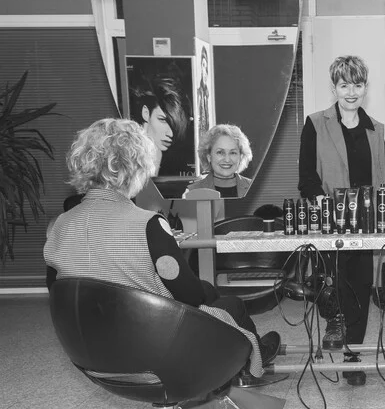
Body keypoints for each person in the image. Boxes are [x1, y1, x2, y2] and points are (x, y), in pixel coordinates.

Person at [44, 119, 279, 376]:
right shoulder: (148, 224)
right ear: (137, 166)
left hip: (88, 349)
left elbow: (58, 290)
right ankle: (253, 360)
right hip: (153, 349)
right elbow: (189, 295)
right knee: (232, 306)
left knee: (208, 291)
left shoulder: (60, 225)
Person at [299, 55, 385, 347]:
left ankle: (353, 356)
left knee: (360, 290)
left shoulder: (374, 128)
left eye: (357, 85)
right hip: (331, 223)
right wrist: (323, 203)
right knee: (337, 288)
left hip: (367, 223)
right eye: (344, 85)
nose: (351, 92)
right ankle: (340, 333)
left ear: (365, 88)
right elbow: (306, 177)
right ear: (334, 88)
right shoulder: (315, 124)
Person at [186, 123, 253, 198]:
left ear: (240, 156)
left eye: (233, 153)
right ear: (209, 156)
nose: (227, 160)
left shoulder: (255, 188)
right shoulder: (192, 192)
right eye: (220, 152)